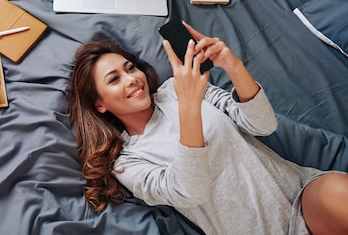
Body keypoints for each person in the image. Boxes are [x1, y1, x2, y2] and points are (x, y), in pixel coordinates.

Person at [67, 22, 348, 235]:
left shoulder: (176, 90)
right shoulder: (126, 160)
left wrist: (231, 64)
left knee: (337, 191)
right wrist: (190, 105)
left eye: (131, 68)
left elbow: (264, 125)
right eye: (114, 79)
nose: (131, 79)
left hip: (301, 197)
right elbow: (190, 191)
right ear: (100, 104)